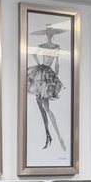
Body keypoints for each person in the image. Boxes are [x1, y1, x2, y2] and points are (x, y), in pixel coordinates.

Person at [26, 24, 67, 154]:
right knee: (45, 107)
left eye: (50, 33)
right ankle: (53, 136)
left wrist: (53, 76)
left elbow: (57, 64)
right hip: (44, 72)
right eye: (49, 33)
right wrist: (41, 66)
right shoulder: (47, 47)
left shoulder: (54, 47)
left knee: (46, 108)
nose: (49, 35)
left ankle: (54, 136)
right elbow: (56, 65)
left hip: (46, 73)